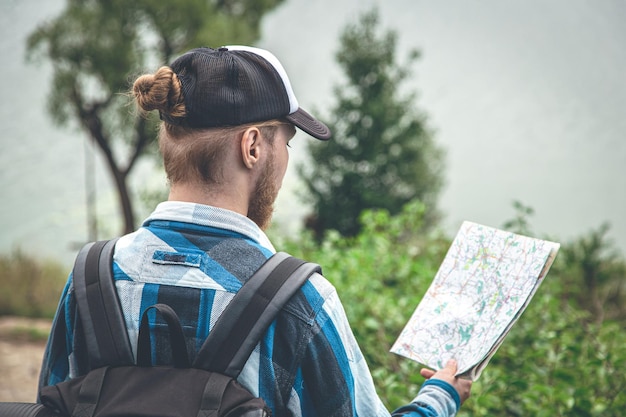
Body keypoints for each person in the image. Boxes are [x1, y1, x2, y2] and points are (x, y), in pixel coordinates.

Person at [38, 45, 471, 416]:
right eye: (286, 141)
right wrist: (442, 395)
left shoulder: (90, 279)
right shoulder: (301, 303)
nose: (285, 159)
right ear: (252, 146)